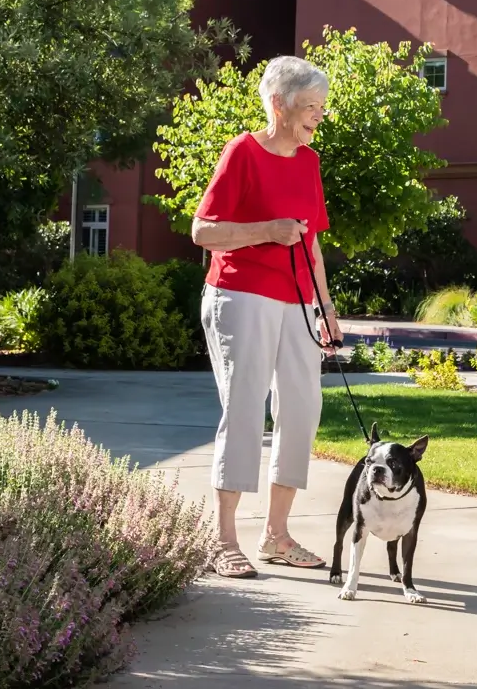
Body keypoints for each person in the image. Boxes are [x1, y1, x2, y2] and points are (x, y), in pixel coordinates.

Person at [191, 55, 343, 578]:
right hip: (241, 294)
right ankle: (223, 538)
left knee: (301, 410)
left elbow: (313, 244)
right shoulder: (243, 152)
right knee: (245, 409)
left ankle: (276, 535)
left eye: (321, 108)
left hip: (299, 300)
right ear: (278, 104)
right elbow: (203, 232)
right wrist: (267, 230)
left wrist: (326, 308)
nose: (317, 116)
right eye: (309, 107)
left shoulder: (309, 162)